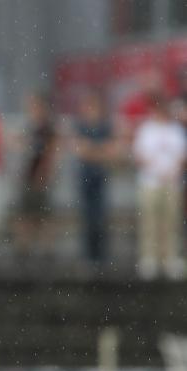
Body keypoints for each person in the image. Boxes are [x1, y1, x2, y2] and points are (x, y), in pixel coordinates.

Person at [133, 95, 187, 280]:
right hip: (151, 182)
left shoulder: (176, 130)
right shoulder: (146, 130)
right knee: (150, 221)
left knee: (171, 222)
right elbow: (140, 156)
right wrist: (157, 170)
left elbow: (182, 156)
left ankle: (170, 257)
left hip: (172, 182)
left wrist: (172, 171)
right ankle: (150, 258)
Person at [72, 92, 114, 268]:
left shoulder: (105, 126)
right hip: (86, 177)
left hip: (100, 177)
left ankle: (100, 256)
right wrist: (98, 151)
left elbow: (111, 150)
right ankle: (88, 256)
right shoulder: (81, 126)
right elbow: (80, 149)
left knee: (100, 216)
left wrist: (93, 151)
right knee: (87, 217)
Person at [15, 93, 58, 258]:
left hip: (40, 177)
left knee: (44, 214)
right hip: (28, 175)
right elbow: (24, 147)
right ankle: (24, 248)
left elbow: (51, 152)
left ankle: (47, 249)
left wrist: (43, 173)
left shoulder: (47, 128)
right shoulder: (30, 127)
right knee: (25, 212)